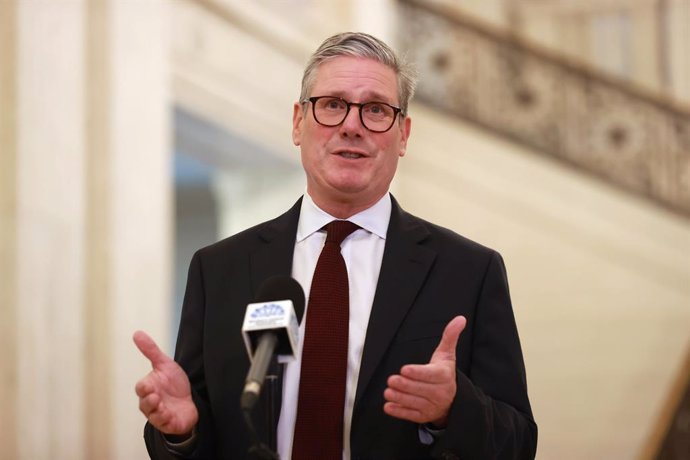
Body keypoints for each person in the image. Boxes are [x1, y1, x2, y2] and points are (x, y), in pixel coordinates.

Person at [134, 32, 537, 460]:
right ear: (297, 122)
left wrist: (453, 410)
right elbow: (202, 434)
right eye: (332, 105)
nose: (351, 125)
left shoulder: (468, 272)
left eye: (376, 110)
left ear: (403, 135)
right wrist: (182, 433)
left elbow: (518, 444)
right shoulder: (219, 269)